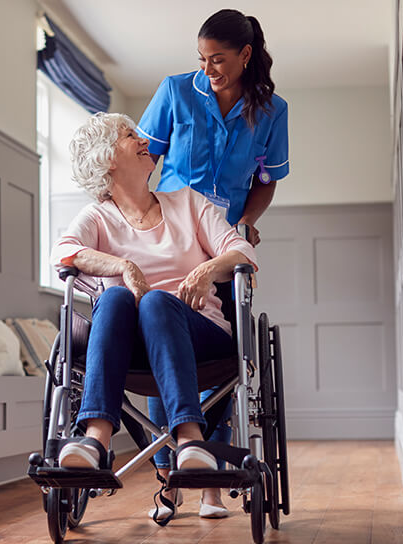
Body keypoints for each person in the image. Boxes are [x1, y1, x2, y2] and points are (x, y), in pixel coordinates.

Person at [50, 112, 258, 521]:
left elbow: (243, 252)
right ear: (108, 159)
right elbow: (63, 253)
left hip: (200, 333)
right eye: (131, 136)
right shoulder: (97, 217)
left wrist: (206, 270)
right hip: (132, 350)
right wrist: (123, 266)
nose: (145, 139)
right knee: (112, 301)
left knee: (157, 302)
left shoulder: (188, 203)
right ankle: (96, 438)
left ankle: (190, 439)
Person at [135, 8, 290, 518]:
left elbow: (267, 180)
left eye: (218, 60)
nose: (209, 70)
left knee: (222, 361)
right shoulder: (176, 92)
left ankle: (211, 486)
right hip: (173, 241)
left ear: (245, 55)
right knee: (166, 351)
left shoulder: (271, 111)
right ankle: (168, 479)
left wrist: (245, 222)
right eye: (202, 60)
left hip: (222, 249)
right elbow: (142, 160)